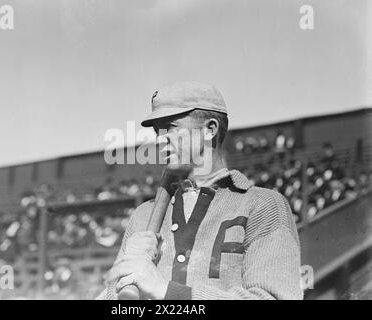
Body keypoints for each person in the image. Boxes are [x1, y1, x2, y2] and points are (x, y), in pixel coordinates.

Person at [96, 81, 303, 300]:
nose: (160, 138)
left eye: (171, 127)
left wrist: (167, 291)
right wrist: (121, 283)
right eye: (158, 131)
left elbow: (273, 298)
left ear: (209, 130)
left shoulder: (263, 205)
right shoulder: (142, 216)